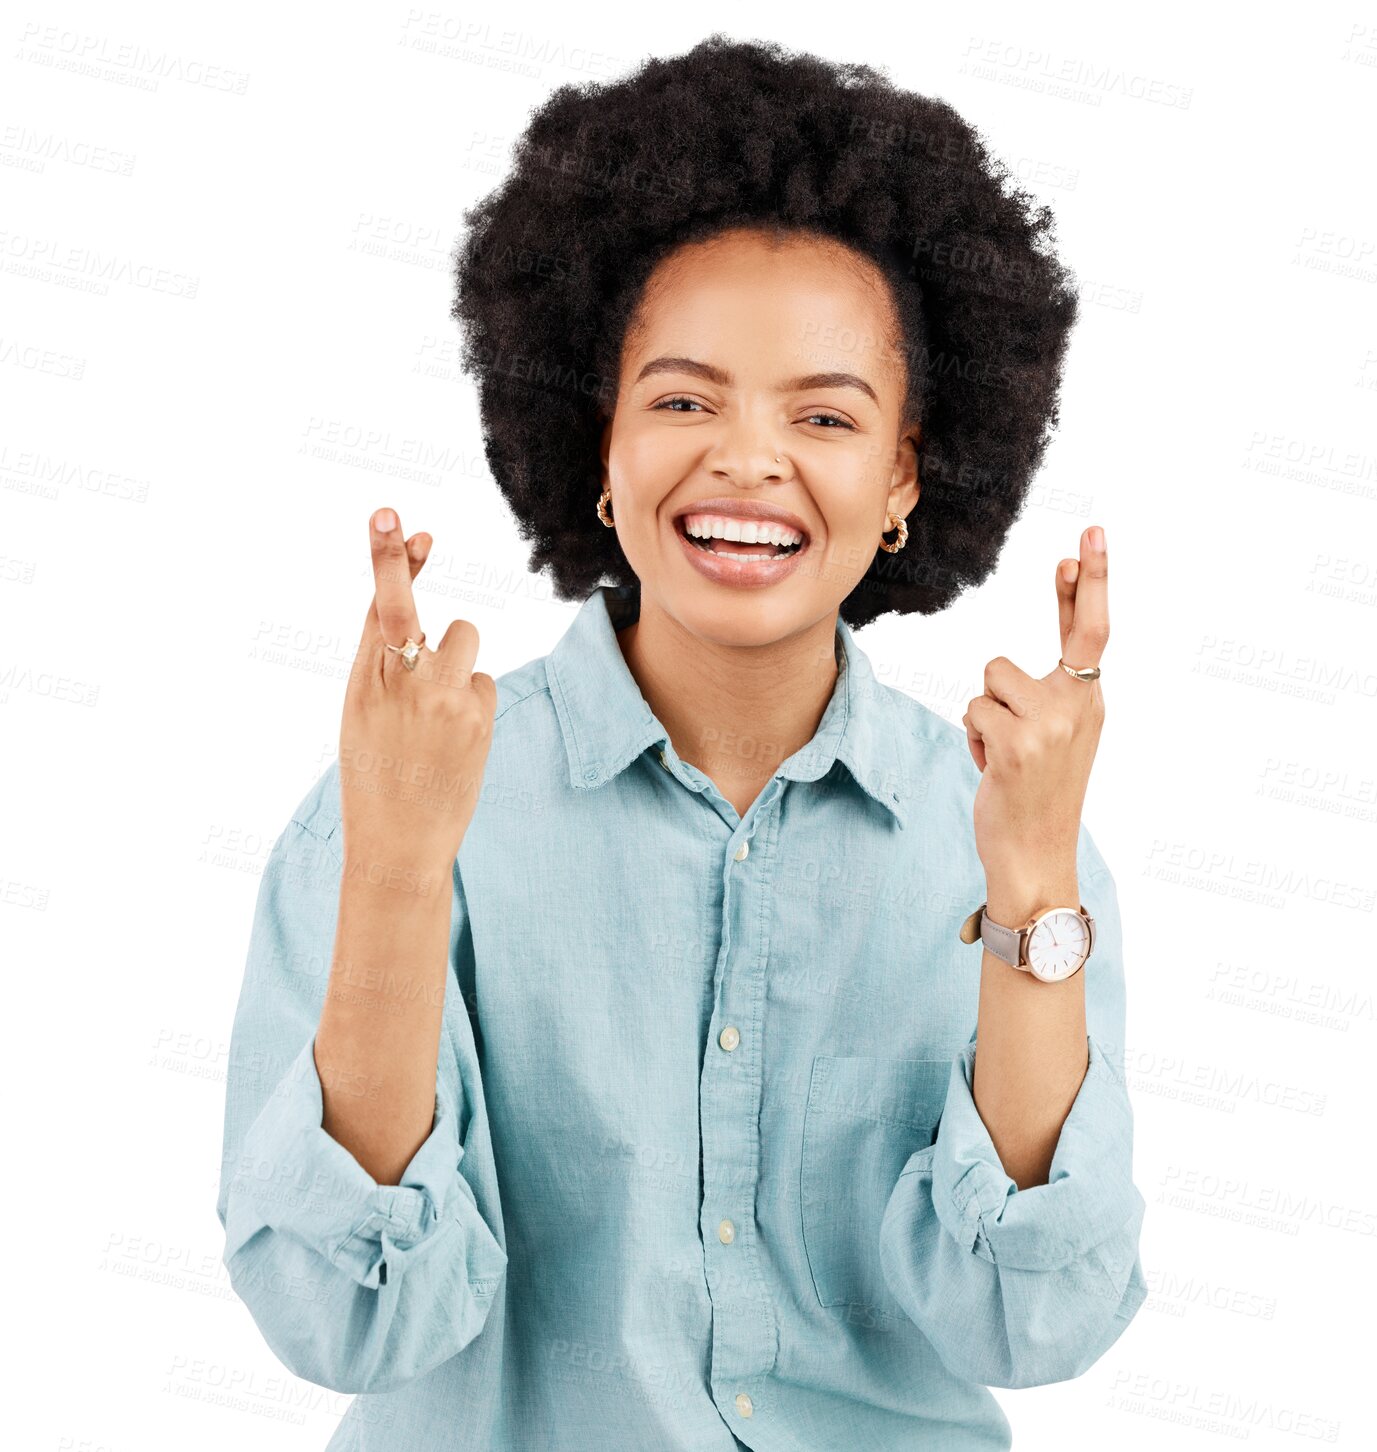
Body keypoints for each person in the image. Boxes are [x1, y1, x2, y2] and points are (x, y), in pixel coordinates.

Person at [217, 35, 1146, 1450]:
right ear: (597, 442)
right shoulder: (404, 805)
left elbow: (1027, 1324)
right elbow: (348, 1322)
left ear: (904, 469)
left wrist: (1028, 889)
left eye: (823, 415)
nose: (746, 459)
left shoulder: (1013, 828)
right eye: (681, 399)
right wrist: (401, 876)